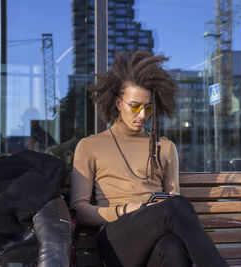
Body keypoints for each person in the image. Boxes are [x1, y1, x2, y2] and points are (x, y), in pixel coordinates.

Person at [70, 50, 228, 267]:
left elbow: (173, 204)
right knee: (176, 207)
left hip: (155, 238)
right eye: (135, 106)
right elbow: (79, 209)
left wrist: (168, 200)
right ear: (117, 103)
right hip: (117, 240)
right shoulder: (90, 146)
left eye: (148, 107)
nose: (142, 115)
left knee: (173, 248)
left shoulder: (165, 148)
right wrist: (124, 210)